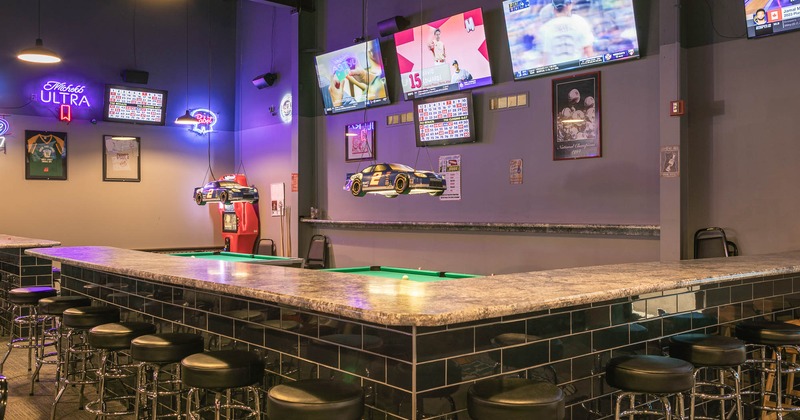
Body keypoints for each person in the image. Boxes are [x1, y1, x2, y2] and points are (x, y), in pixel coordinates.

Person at [538, 0, 595, 65]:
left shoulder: (545, 28)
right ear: (569, 6)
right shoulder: (579, 21)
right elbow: (588, 51)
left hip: (557, 72)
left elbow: (544, 59)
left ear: (554, 9)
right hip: (578, 68)